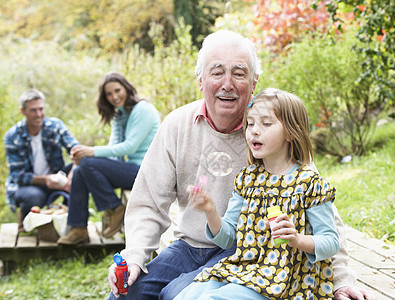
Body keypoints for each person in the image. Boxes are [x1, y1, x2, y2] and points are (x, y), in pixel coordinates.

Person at [107, 30, 376, 300]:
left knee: (178, 295)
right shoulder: (177, 125)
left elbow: (321, 211)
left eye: (239, 73)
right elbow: (148, 203)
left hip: (247, 251)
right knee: (126, 295)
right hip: (189, 246)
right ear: (200, 80)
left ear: (253, 82)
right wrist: (134, 256)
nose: (228, 84)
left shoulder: (274, 132)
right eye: (217, 72)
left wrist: (341, 280)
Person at [177, 88, 340, 299]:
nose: (254, 130)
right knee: (187, 295)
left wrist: (297, 240)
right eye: (250, 124)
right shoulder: (247, 180)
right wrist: (210, 211)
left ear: (291, 132)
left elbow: (331, 242)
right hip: (246, 270)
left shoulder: (308, 184)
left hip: (285, 282)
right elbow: (228, 239)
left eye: (266, 123)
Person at [57, 71, 161, 245]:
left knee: (88, 162)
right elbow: (114, 149)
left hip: (147, 172)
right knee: (81, 169)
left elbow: (130, 147)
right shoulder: (120, 114)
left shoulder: (142, 109)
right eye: (109, 94)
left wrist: (91, 152)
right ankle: (78, 228)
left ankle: (113, 207)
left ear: (127, 88)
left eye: (117, 90)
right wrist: (84, 159)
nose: (114, 96)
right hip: (132, 169)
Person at [4, 89, 78, 231]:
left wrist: (73, 172)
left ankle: (71, 222)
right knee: (34, 196)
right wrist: (46, 179)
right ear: (23, 111)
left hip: (56, 178)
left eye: (41, 109)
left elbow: (77, 150)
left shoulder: (55, 126)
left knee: (81, 172)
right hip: (27, 185)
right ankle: (25, 223)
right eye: (33, 110)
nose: (38, 114)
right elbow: (17, 176)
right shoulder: (12, 136)